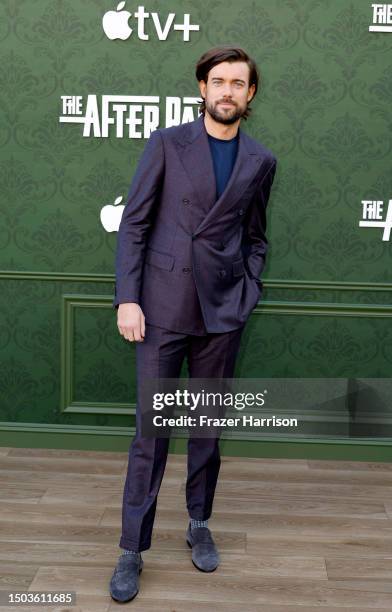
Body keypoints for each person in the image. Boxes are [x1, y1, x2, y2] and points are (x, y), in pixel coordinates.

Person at [109, 45, 278, 603]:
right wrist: (128, 300)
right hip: (159, 308)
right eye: (218, 81)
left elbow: (257, 238)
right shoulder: (166, 143)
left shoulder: (260, 161)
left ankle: (199, 523)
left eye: (238, 82)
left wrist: (247, 291)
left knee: (206, 431)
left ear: (250, 94)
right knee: (150, 435)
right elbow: (133, 224)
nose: (227, 90)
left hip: (222, 314)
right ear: (202, 88)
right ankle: (132, 549)